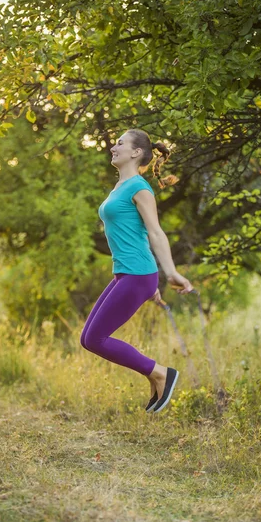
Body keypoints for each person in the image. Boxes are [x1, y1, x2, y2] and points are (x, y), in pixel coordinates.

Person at [80, 129, 194, 414]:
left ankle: (160, 373)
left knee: (96, 339)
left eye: (120, 144)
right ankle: (155, 375)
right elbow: (136, 233)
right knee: (87, 339)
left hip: (138, 273)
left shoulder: (140, 189)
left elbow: (156, 232)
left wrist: (169, 273)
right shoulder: (119, 187)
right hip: (128, 273)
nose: (113, 148)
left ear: (136, 153)